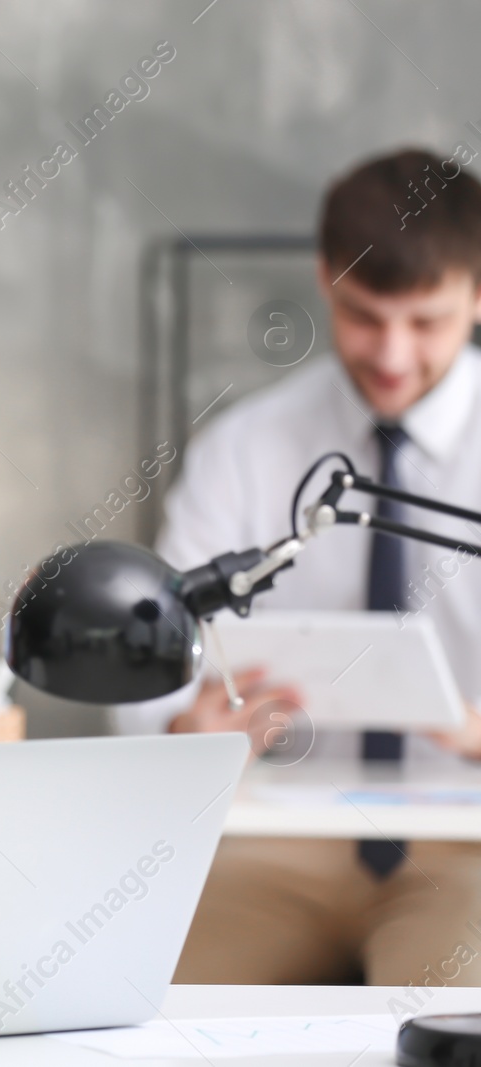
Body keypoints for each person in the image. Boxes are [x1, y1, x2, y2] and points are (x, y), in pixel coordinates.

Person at [116, 147, 481, 985]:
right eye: (363, 315)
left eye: (425, 322)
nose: (391, 354)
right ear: (325, 279)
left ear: (478, 292)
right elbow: (160, 650)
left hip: (467, 839)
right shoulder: (247, 448)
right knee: (155, 1008)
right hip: (275, 834)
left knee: (453, 1019)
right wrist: (184, 728)